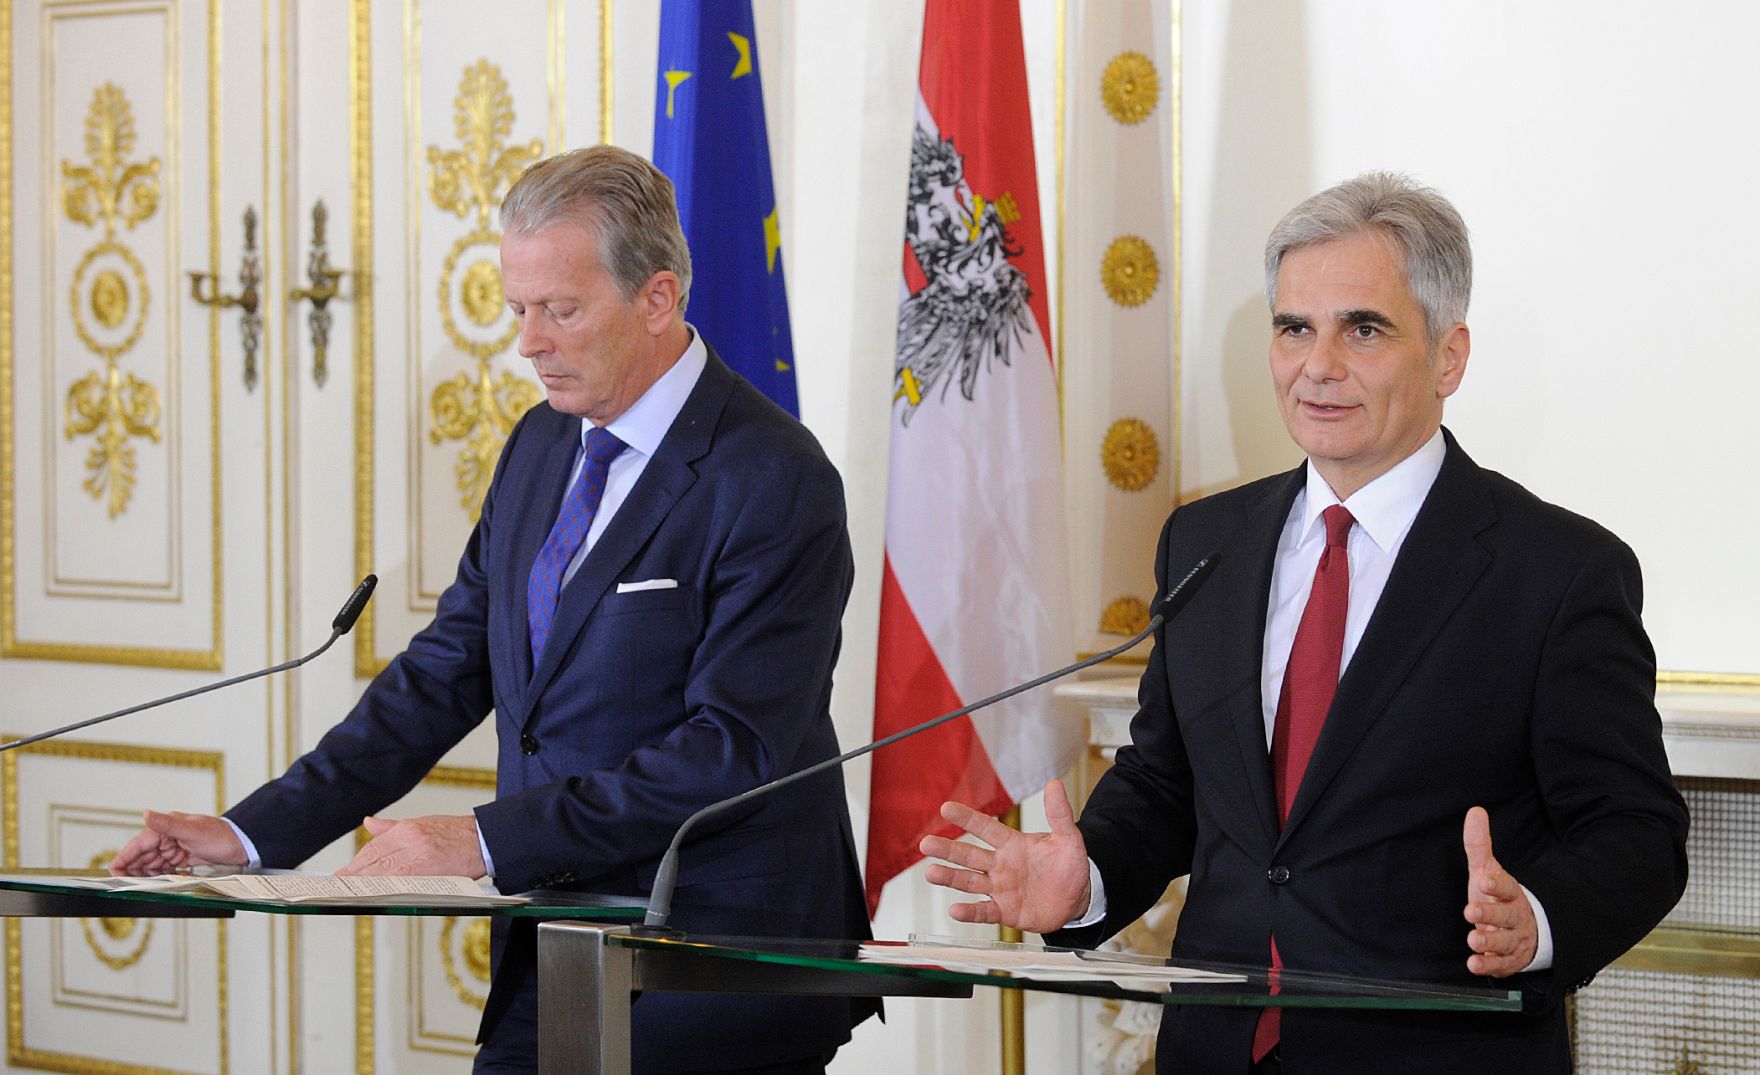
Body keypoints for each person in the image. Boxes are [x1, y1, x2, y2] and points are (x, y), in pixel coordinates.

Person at [111, 145, 875, 1074]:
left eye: (560, 310)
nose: (528, 342)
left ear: (658, 299)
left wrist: (478, 839)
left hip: (719, 957)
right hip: (555, 941)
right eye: (518, 309)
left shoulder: (774, 476)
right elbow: (446, 670)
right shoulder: (541, 444)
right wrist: (251, 832)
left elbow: (734, 749)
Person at [920, 172, 1688, 1073]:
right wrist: (1085, 877)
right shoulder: (1205, 541)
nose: (1318, 365)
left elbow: (1636, 829)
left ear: (1449, 355)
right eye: (1295, 328)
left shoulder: (1556, 572)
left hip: (1437, 1053)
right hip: (1220, 1048)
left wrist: (1540, 920)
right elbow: (1170, 786)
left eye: (1363, 328)